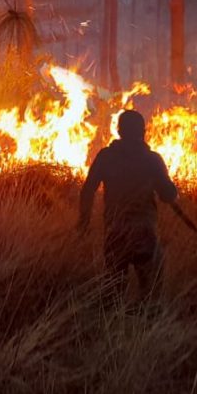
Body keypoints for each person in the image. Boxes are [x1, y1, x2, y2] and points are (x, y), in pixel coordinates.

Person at [79, 109, 180, 302]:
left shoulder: (106, 156)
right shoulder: (152, 159)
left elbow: (87, 190)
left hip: (115, 232)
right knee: (151, 292)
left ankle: (114, 326)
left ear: (118, 131)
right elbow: (168, 194)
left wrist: (84, 222)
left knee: (114, 290)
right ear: (143, 131)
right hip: (144, 234)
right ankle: (147, 326)